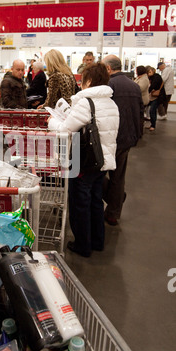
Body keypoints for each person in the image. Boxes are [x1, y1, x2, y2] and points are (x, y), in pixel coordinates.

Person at [48, 62, 119, 257]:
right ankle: (97, 241)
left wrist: (52, 121)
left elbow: (64, 130)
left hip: (84, 163)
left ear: (88, 81)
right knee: (96, 202)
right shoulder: (112, 103)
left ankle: (82, 245)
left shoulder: (86, 103)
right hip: (102, 161)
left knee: (80, 203)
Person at [102, 55, 144, 226]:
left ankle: (115, 197)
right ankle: (114, 211)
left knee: (96, 175)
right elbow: (140, 112)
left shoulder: (108, 87)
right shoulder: (134, 86)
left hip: (110, 137)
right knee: (118, 176)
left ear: (108, 69)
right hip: (127, 138)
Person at [145, 66, 165, 131]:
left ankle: (153, 125)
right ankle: (152, 124)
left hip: (157, 96)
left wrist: (147, 92)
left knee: (152, 110)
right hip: (151, 96)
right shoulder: (150, 77)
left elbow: (153, 86)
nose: (149, 73)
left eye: (150, 71)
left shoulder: (157, 77)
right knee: (150, 110)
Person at [134, 65, 150, 133]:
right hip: (140, 99)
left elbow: (140, 88)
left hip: (143, 100)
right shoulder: (141, 78)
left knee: (140, 117)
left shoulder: (144, 79)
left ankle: (139, 131)